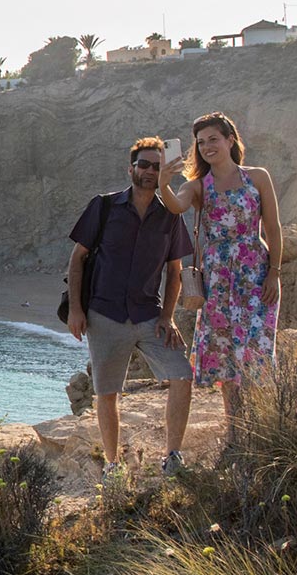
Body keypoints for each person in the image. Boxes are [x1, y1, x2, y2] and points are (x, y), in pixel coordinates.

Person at [66, 136, 196, 473]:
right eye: (144, 165)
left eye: (157, 166)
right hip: (104, 314)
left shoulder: (170, 215)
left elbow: (174, 270)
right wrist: (77, 310)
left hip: (148, 315)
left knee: (182, 375)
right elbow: (78, 258)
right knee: (107, 392)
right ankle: (112, 466)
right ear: (131, 168)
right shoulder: (104, 206)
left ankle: (173, 457)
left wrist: (168, 317)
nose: (151, 171)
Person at [159, 111, 281, 423]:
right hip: (217, 282)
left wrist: (274, 273)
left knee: (257, 352)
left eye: (213, 138)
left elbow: (274, 228)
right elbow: (176, 205)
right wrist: (164, 182)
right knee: (226, 358)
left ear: (230, 139)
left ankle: (263, 425)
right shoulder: (199, 186)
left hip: (254, 275)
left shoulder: (258, 177)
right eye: (200, 143)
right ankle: (235, 430)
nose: (207, 146)